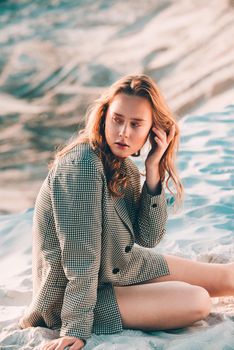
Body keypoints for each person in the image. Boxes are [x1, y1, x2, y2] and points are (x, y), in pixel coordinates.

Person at [19, 74, 234, 350]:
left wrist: (153, 170)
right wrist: (75, 329)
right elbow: (80, 258)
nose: (123, 132)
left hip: (120, 266)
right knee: (197, 300)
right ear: (104, 115)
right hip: (77, 298)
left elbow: (148, 237)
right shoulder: (82, 166)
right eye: (118, 119)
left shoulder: (126, 168)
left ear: (151, 130)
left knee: (226, 277)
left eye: (136, 124)